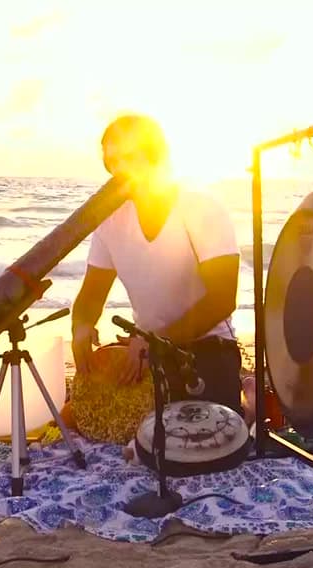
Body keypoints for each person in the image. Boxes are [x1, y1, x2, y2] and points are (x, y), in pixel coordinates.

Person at [71, 114, 254, 421]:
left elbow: (223, 300)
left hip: (206, 347)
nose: (118, 169)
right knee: (105, 423)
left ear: (157, 155)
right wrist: (81, 327)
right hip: (146, 351)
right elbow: (91, 295)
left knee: (191, 438)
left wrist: (156, 342)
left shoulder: (201, 207)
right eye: (111, 161)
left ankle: (249, 400)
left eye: (129, 157)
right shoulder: (111, 220)